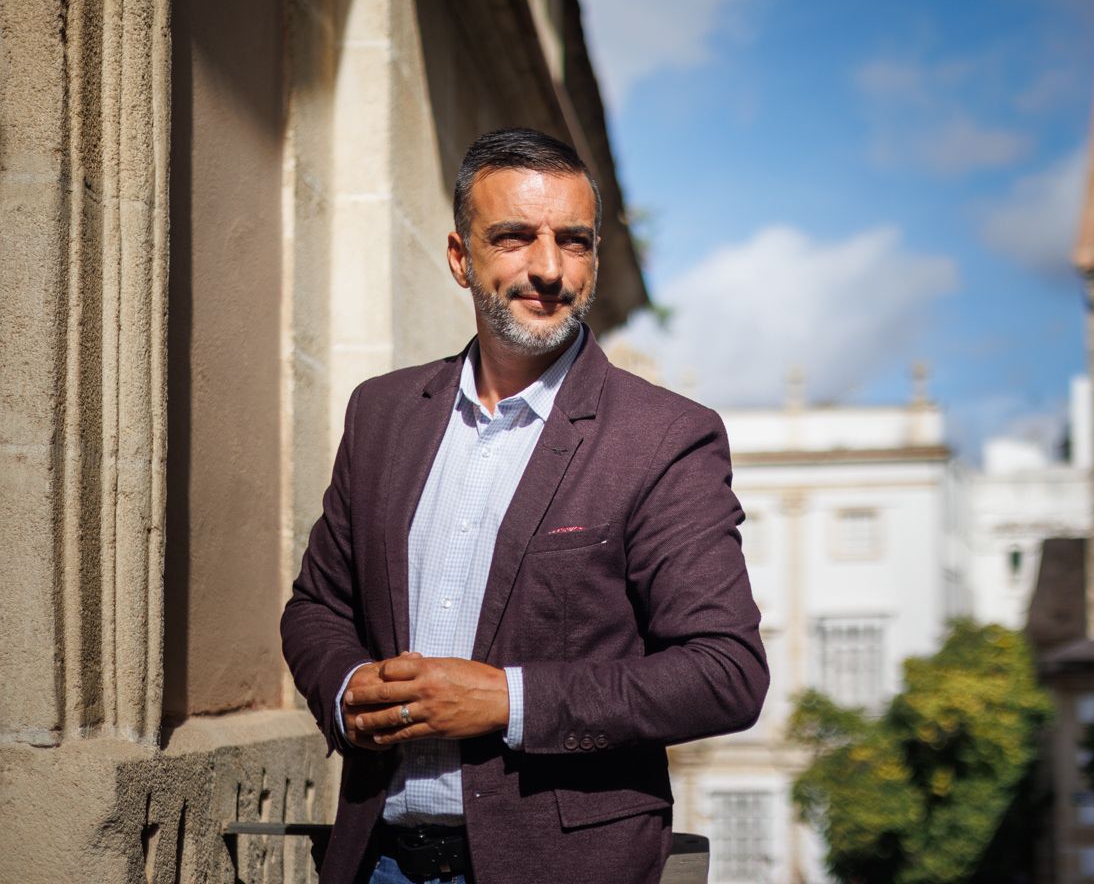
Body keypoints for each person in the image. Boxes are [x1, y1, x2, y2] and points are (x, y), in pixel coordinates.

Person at [281, 128, 769, 884]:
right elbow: (316, 606)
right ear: (459, 257)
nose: (547, 268)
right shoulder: (381, 414)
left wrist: (508, 699)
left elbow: (724, 672)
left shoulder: (664, 437)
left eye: (573, 242)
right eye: (513, 238)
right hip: (376, 861)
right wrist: (346, 690)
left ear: (595, 259)